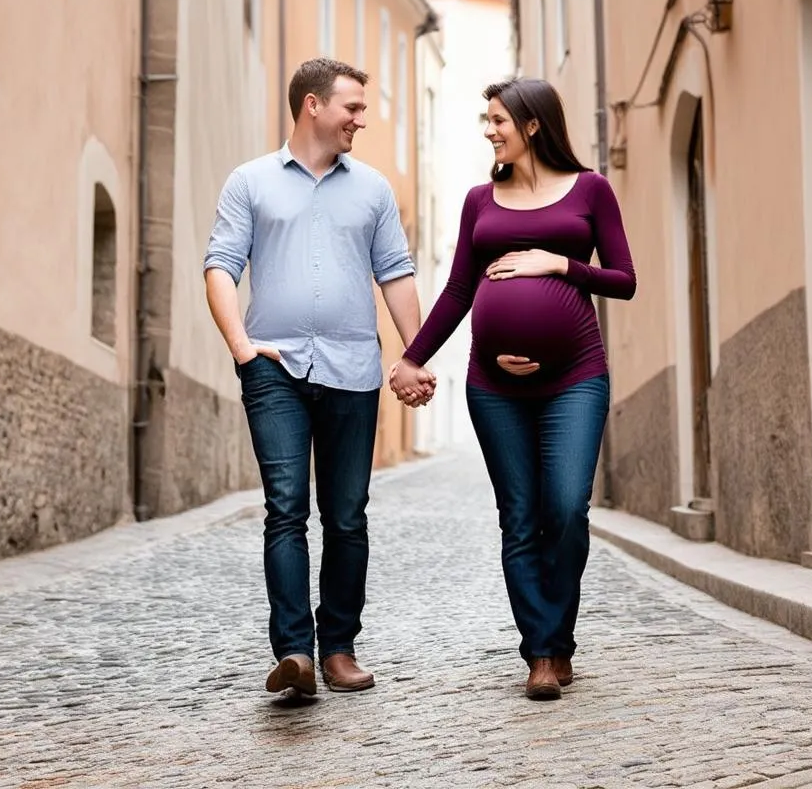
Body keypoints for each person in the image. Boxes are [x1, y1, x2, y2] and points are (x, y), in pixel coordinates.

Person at [390, 77, 635, 701]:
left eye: (497, 119)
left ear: (531, 126)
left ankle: (558, 636)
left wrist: (558, 264)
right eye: (486, 118)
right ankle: (544, 653)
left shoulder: (590, 191)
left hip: (575, 377)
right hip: (494, 386)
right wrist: (412, 358)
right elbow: (459, 291)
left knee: (566, 509)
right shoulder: (481, 200)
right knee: (520, 519)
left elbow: (624, 279)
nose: (488, 129)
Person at [204, 58, 436, 698]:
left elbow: (395, 273)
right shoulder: (249, 182)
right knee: (285, 510)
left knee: (347, 515)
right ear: (312, 105)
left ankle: (338, 647)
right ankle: (294, 654)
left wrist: (415, 355)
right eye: (353, 108)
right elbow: (221, 265)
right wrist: (243, 348)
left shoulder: (373, 190)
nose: (361, 119)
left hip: (352, 369)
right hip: (273, 368)